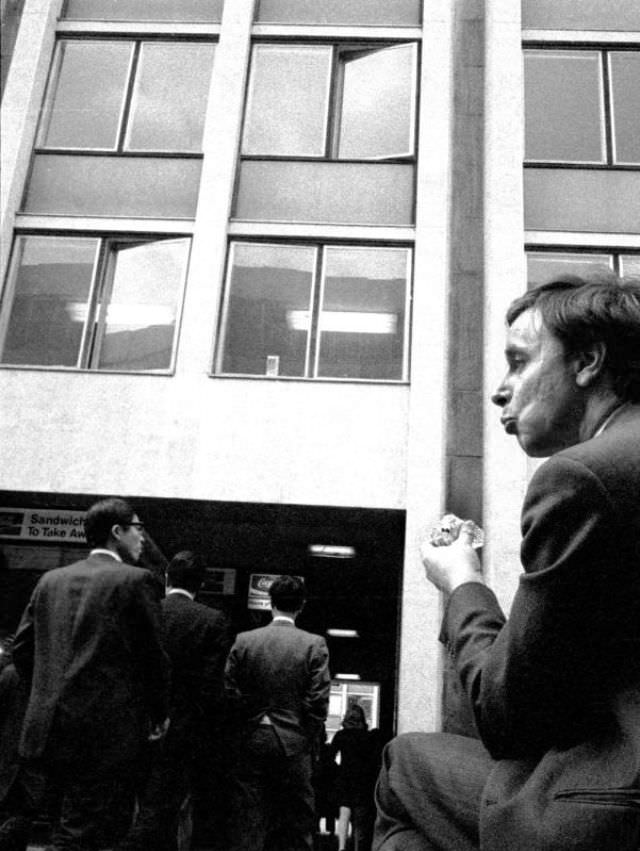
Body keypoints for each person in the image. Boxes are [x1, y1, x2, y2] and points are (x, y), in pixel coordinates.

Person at [373, 273, 640, 851]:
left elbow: (506, 717)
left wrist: (461, 582)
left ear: (588, 360)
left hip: (609, 814)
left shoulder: (584, 478)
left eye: (519, 362)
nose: (500, 390)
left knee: (405, 762)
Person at [8, 497, 170, 851]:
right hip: (102, 731)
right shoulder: (136, 581)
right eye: (138, 528)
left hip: (46, 729)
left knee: (59, 821)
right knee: (85, 831)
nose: (143, 538)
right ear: (117, 532)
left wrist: (48, 690)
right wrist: (158, 714)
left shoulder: (50, 580)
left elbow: (22, 649)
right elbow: (153, 657)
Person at [117, 550, 231, 851]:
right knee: (165, 808)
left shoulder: (143, 613)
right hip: (183, 733)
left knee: (134, 805)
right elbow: (210, 689)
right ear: (202, 585)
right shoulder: (212, 621)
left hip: (134, 726)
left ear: (167, 578)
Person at [224, 575, 331, 851]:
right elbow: (319, 699)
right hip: (294, 742)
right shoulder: (314, 644)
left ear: (269, 603)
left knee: (248, 819)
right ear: (302, 605)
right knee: (297, 822)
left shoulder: (245, 641)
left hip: (250, 738)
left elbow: (228, 691)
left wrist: (247, 720)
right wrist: (306, 734)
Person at [329, 704, 376, 851]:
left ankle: (341, 848)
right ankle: (358, 847)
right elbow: (372, 760)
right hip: (362, 780)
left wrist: (337, 771)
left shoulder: (341, 735)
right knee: (359, 820)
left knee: (344, 815)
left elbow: (330, 756)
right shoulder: (367, 737)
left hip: (344, 778)